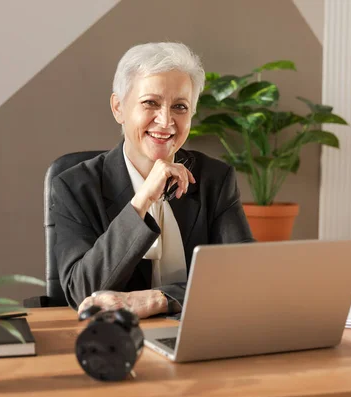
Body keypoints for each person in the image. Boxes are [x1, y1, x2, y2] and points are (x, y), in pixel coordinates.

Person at [51, 42, 254, 319]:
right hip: (113, 341)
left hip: (199, 333)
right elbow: (83, 292)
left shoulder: (215, 180)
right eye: (150, 103)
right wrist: (142, 199)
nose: (166, 120)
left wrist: (158, 299)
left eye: (180, 107)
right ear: (118, 108)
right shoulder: (74, 187)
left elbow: (245, 276)